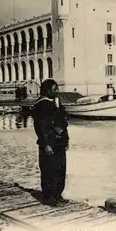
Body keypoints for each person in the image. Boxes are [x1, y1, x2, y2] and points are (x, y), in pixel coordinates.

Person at [32, 79, 70, 207]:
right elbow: (41, 127)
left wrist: (66, 140)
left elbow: (63, 123)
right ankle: (49, 197)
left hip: (59, 143)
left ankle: (57, 195)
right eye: (54, 89)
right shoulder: (42, 105)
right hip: (49, 144)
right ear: (47, 90)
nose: (57, 91)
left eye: (57, 88)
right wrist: (46, 144)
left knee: (60, 170)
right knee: (49, 171)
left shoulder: (56, 103)